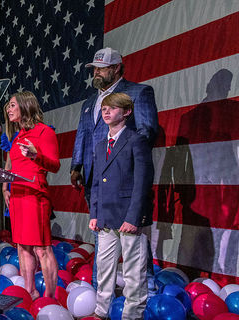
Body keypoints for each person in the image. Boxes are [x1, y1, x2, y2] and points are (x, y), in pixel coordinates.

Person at [70, 47, 159, 291]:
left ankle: (147, 292)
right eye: (95, 68)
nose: (97, 73)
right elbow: (83, 134)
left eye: (102, 68)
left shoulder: (138, 92)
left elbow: (147, 131)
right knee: (102, 234)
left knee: (134, 238)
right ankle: (102, 296)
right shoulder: (90, 102)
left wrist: (123, 160)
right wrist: (77, 166)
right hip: (94, 177)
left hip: (124, 177)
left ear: (117, 68)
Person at [89, 93, 153, 319]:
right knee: (104, 271)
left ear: (126, 112)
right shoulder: (99, 146)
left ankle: (131, 316)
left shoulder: (136, 140)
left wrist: (134, 218)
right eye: (104, 108)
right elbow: (97, 182)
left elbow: (142, 182)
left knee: (134, 273)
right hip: (105, 218)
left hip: (129, 217)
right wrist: (94, 213)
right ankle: (100, 312)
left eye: (113, 108)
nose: (106, 112)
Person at [1, 91, 60, 299]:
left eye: (12, 105)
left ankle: (50, 298)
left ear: (26, 106)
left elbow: (55, 166)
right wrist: (5, 188)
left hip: (35, 195)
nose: (9, 109)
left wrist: (37, 155)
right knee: (23, 246)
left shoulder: (44, 132)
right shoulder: (16, 135)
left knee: (42, 249)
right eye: (8, 106)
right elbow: (10, 166)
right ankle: (30, 292)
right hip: (16, 195)